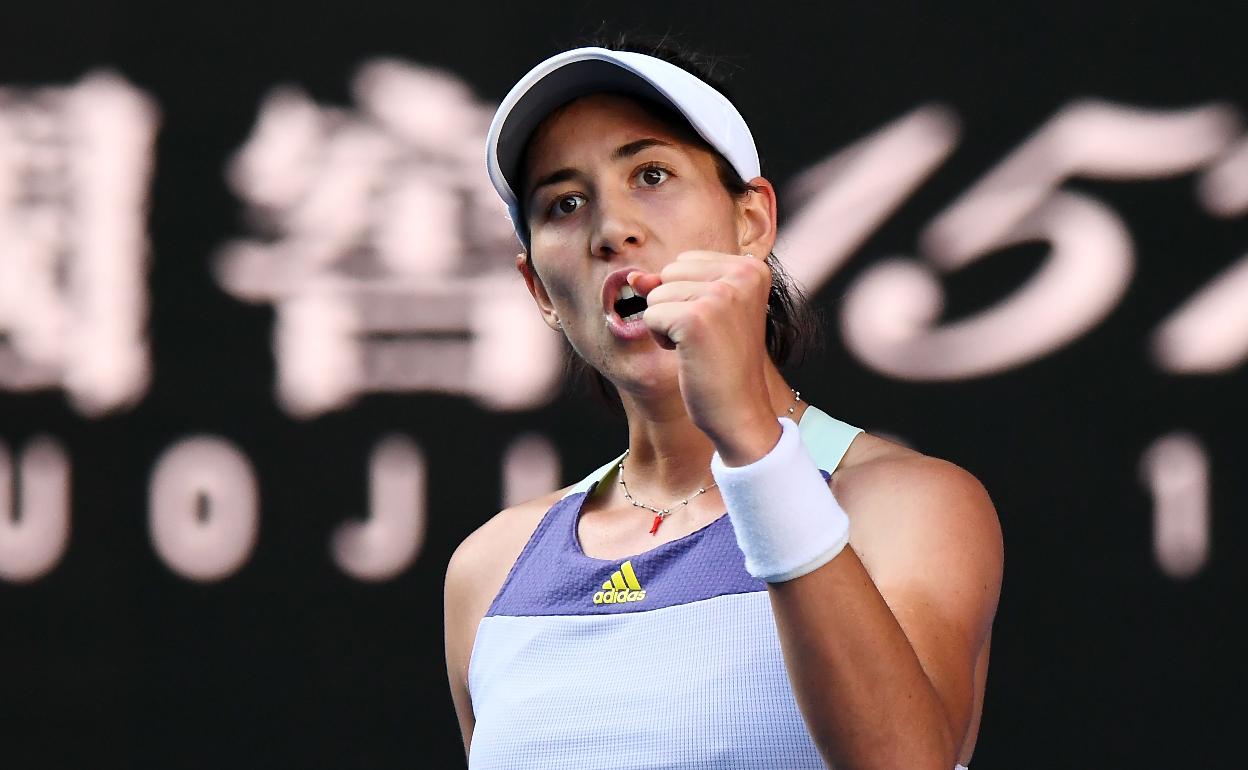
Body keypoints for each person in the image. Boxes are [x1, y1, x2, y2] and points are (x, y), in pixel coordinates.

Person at [444, 38, 1003, 770]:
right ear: (540, 291)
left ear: (752, 223)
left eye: (651, 174)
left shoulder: (908, 503)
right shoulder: (491, 566)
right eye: (565, 203)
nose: (612, 230)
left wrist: (750, 441)